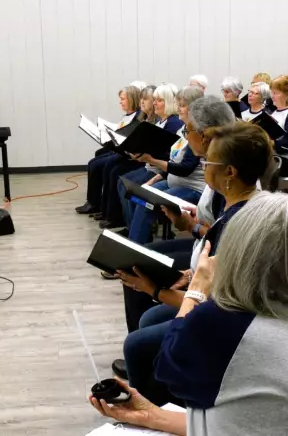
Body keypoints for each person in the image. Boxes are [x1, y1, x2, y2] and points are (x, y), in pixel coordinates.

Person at [93, 193, 288, 436]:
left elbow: (169, 369)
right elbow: (251, 419)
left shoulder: (226, 321)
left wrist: (196, 291)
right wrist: (150, 416)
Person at [116, 122, 273, 406]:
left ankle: (149, 413)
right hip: (224, 300)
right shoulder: (242, 204)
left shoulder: (239, 222)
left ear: (229, 172)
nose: (203, 165)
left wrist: (153, 290)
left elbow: (213, 306)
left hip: (233, 318)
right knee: (149, 320)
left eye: (206, 161)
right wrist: (190, 273)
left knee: (136, 344)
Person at [121, 96, 235, 332]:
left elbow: (222, 238)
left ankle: (145, 338)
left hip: (209, 261)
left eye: (188, 130)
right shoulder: (213, 164)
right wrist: (192, 220)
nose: (185, 134)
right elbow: (216, 225)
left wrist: (191, 226)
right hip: (202, 249)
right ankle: (143, 332)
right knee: (141, 261)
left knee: (141, 267)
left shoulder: (223, 172)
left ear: (204, 135)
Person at [123, 86, 204, 244]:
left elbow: (185, 168)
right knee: (137, 196)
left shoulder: (197, 133)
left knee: (147, 204)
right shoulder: (182, 129)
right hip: (173, 181)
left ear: (194, 108)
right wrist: (153, 180)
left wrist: (151, 160)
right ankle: (141, 243)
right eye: (178, 104)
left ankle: (136, 252)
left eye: (182, 105)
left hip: (192, 188)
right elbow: (174, 163)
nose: (178, 108)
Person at [98, 84, 181, 229]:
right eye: (154, 100)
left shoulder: (173, 123)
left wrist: (146, 153)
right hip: (150, 166)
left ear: (168, 102)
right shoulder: (161, 120)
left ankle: (138, 229)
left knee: (128, 186)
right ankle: (131, 226)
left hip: (157, 170)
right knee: (121, 181)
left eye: (159, 100)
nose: (154, 103)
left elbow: (169, 153)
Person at [76, 85, 142, 215]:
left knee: (107, 167)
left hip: (129, 155)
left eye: (123, 99)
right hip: (120, 150)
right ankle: (95, 202)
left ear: (132, 99)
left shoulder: (138, 117)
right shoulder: (128, 116)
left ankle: (107, 209)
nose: (120, 102)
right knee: (94, 162)